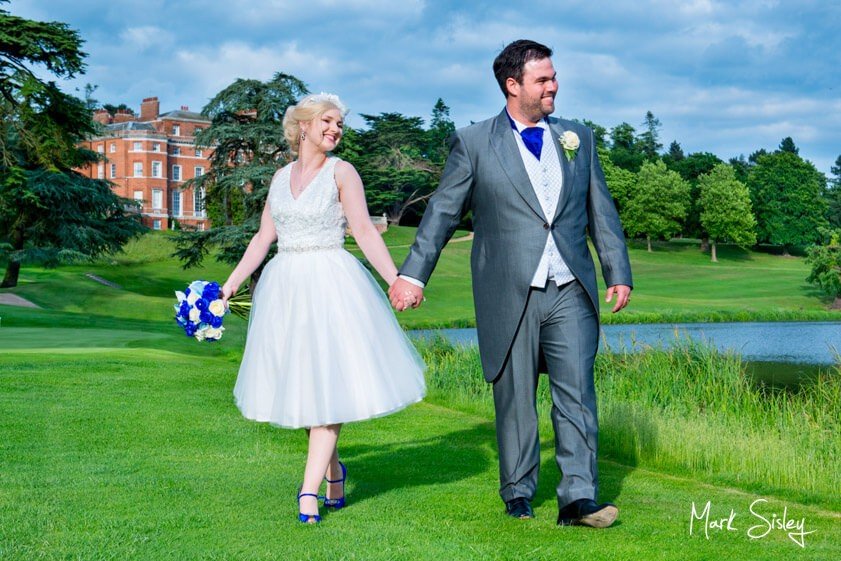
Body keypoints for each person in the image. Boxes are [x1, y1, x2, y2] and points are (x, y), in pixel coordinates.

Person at [389, 40, 632, 528]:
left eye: (554, 76)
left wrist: (617, 271)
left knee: (578, 394)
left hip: (571, 286)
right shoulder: (474, 142)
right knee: (515, 395)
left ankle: (578, 499)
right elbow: (441, 212)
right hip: (508, 289)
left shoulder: (578, 136)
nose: (553, 86)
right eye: (543, 79)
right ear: (513, 85)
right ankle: (518, 491)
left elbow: (599, 209)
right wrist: (412, 274)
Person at [221, 93, 426, 524]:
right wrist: (228, 287)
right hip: (286, 289)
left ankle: (308, 492)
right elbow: (262, 239)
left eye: (339, 125)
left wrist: (396, 280)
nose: (335, 130)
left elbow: (366, 231)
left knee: (326, 385)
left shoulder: (342, 172)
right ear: (304, 127)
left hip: (332, 285)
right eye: (328, 122)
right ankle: (334, 473)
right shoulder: (279, 178)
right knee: (304, 386)